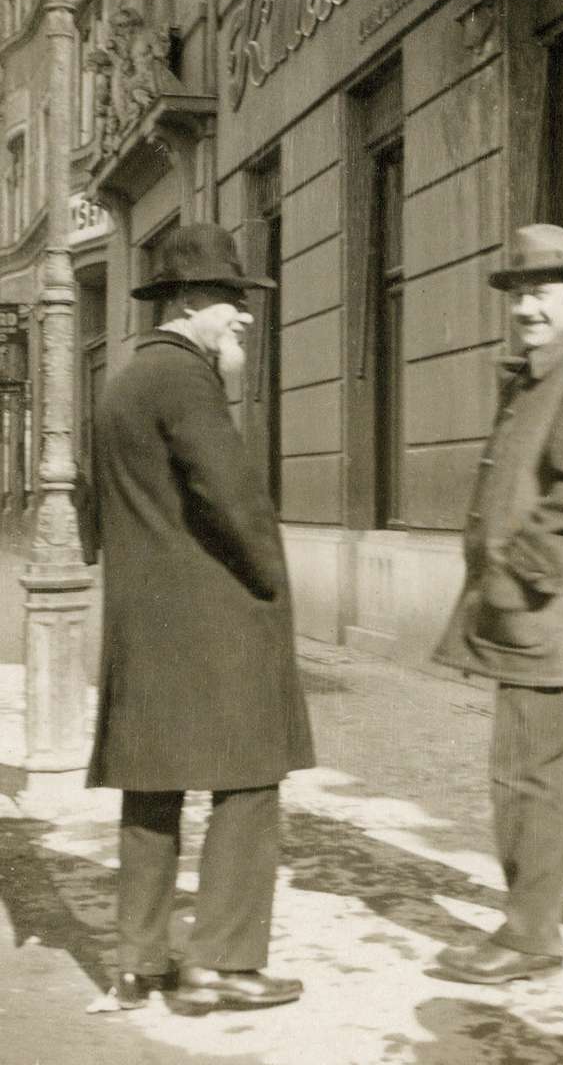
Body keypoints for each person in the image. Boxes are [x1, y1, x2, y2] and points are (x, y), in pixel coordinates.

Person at [84, 222, 314, 1014]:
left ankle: (138, 963)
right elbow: (234, 496)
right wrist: (272, 582)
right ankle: (221, 964)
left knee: (150, 792)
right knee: (249, 784)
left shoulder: (122, 382)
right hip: (212, 624)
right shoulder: (188, 381)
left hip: (143, 627)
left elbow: (92, 509)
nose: (244, 316)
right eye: (230, 301)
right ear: (187, 302)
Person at [432, 223, 563, 985]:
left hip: (548, 611)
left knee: (524, 769)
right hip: (549, 607)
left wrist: (517, 577)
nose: (525, 307)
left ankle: (527, 939)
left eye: (542, 291)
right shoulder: (544, 367)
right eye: (517, 291)